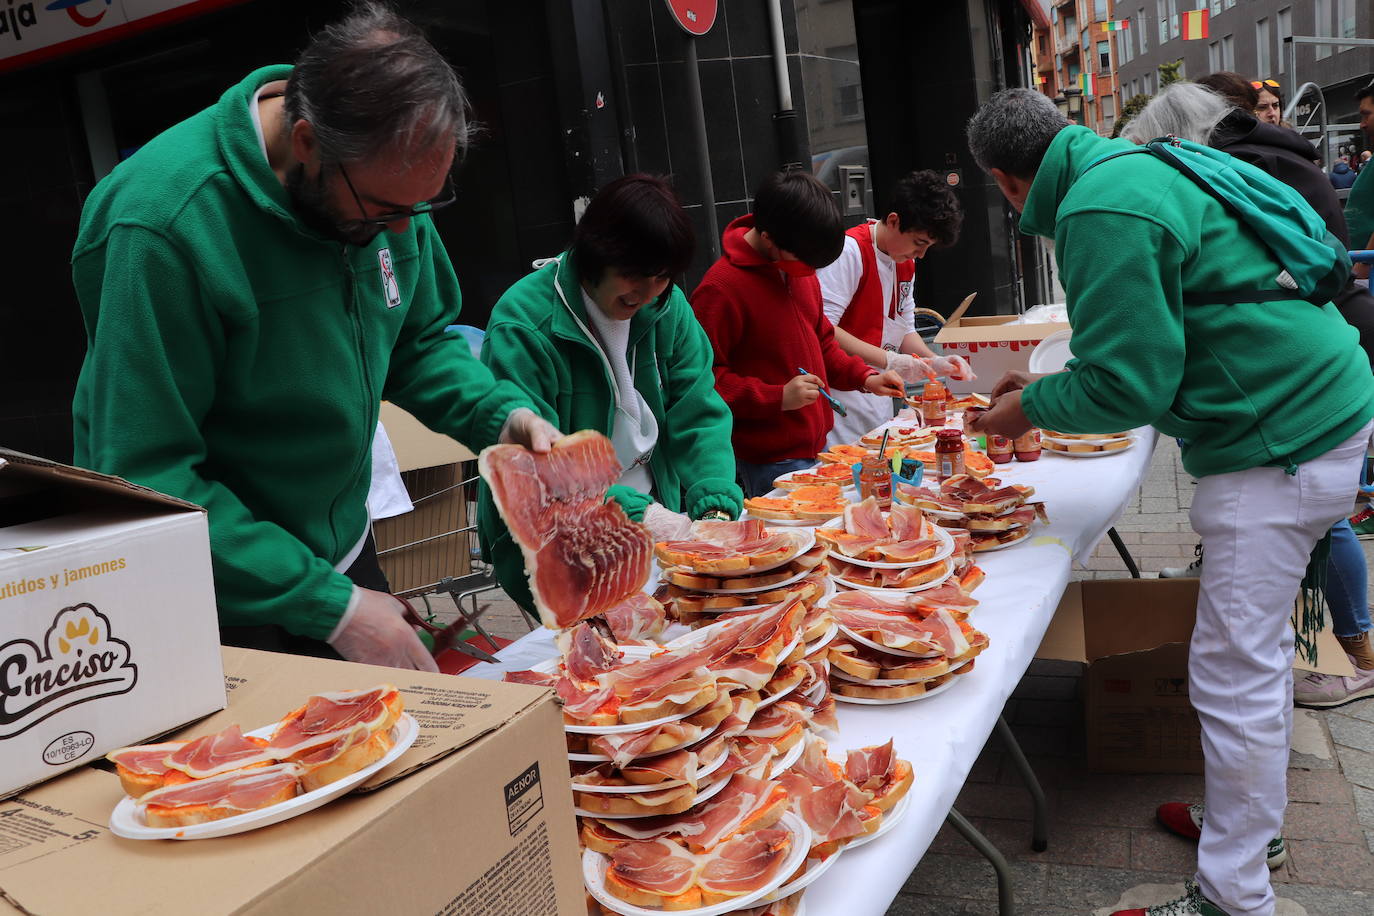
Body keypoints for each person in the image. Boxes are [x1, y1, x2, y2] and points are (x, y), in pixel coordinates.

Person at [965, 88, 1374, 916]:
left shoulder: (1099, 202)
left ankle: (1234, 894)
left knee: (1233, 678)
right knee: (1247, 669)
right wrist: (1047, 386)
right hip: (1316, 407)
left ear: (1008, 182)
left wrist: (1027, 409)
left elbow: (1128, 382)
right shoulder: (1136, 165)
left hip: (1279, 440)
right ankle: (1245, 832)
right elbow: (1156, 335)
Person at [69, 5, 561, 672]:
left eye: (419, 209)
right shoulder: (161, 229)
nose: (400, 233)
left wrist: (498, 415)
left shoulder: (385, 186)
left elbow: (418, 342)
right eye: (386, 211)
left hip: (342, 551)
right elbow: (146, 474)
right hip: (220, 596)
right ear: (306, 142)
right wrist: (329, 606)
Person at [478, 175, 742, 613]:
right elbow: (538, 472)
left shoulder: (666, 305)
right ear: (593, 255)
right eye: (633, 276)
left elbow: (698, 411)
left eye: (662, 277)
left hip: (657, 511)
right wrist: (640, 516)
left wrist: (713, 503)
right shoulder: (523, 326)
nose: (647, 292)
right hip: (559, 542)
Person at [691, 170, 906, 498]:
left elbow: (824, 343)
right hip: (765, 461)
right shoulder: (721, 289)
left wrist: (865, 379)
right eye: (804, 264)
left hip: (817, 448)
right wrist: (777, 397)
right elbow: (704, 384)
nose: (811, 273)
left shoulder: (798, 270)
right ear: (768, 239)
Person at [815, 170, 974, 446]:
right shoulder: (849, 252)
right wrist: (888, 360)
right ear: (893, 221)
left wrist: (933, 360)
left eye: (928, 247)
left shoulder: (904, 260)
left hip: (880, 396)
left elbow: (903, 328)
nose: (921, 255)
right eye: (919, 243)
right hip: (842, 397)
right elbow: (824, 327)